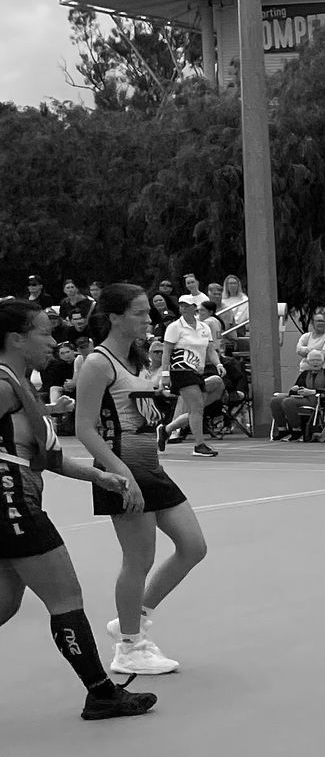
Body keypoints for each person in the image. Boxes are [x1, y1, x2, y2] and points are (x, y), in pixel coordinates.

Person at [0, 299, 158, 720]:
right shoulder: (1, 384)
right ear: (17, 338)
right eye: (43, 332)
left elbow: (41, 457)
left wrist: (101, 477)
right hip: (12, 505)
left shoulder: (17, 383)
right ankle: (101, 692)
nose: (53, 341)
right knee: (65, 596)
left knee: (4, 603)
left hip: (14, 502)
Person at [72, 283, 210, 676]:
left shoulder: (138, 359)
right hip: (123, 472)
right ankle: (130, 648)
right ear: (114, 317)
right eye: (138, 313)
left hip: (150, 468)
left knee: (193, 546)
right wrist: (119, 473)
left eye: (148, 312)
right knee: (139, 558)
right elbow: (85, 428)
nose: (148, 319)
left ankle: (132, 617)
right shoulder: (99, 363)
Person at [160, 293, 225, 458]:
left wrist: (218, 364)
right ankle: (199, 445)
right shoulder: (175, 327)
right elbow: (166, 352)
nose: (182, 308)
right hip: (181, 369)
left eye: (186, 305)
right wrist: (165, 374)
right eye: (181, 305)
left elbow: (210, 350)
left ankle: (167, 429)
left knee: (200, 405)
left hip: (198, 371)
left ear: (194, 308)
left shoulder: (204, 327)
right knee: (196, 409)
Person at [270, 350, 325, 439]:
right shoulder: (305, 374)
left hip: (317, 399)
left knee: (288, 402)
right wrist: (296, 389)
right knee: (275, 400)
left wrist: (312, 391)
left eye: (318, 360)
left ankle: (297, 429)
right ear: (308, 362)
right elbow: (293, 391)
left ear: (323, 362)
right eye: (312, 360)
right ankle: (282, 429)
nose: (315, 363)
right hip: (303, 397)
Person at [298, 312, 325, 378]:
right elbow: (298, 350)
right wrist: (317, 350)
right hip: (306, 372)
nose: (321, 323)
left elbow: (324, 354)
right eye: (318, 321)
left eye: (323, 321)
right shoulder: (306, 336)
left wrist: (306, 351)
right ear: (312, 323)